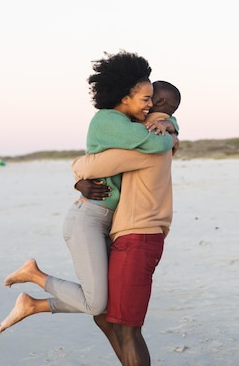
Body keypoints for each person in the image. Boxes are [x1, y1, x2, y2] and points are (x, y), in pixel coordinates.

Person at [0, 51, 178, 337]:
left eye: (153, 102)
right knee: (97, 303)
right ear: (124, 96)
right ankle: (36, 277)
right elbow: (153, 143)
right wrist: (168, 133)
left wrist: (170, 123)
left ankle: (32, 304)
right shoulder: (108, 120)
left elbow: (160, 124)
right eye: (145, 99)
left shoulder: (128, 121)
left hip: (107, 220)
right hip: (88, 218)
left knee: (103, 303)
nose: (149, 106)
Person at [70, 134, 176, 366]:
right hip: (130, 237)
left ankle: (37, 293)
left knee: (128, 331)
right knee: (105, 317)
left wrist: (77, 171)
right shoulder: (158, 139)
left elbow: (88, 165)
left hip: (137, 238)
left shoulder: (150, 147)